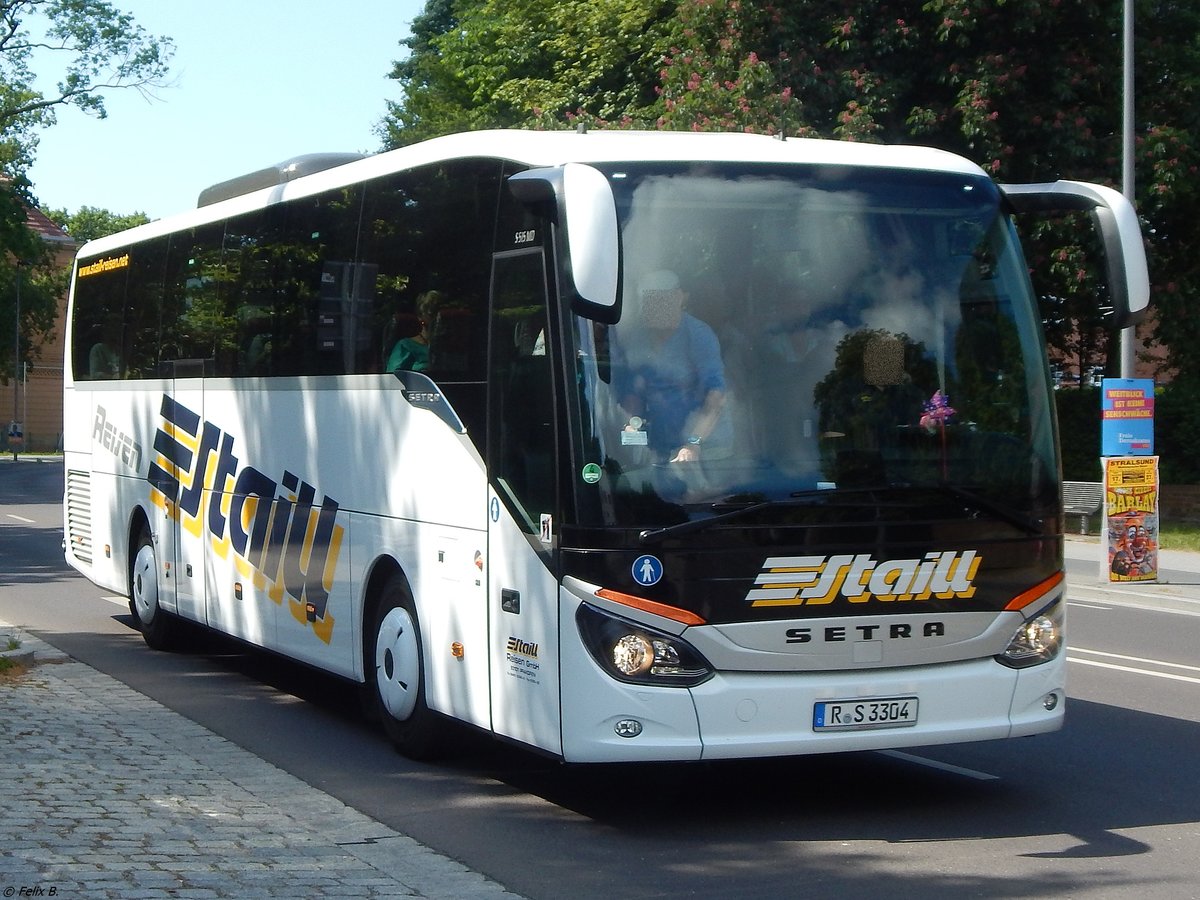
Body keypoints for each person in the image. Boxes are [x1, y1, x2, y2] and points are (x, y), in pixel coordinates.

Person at [612, 270, 731, 464]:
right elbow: (633, 392)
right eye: (648, 301)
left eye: (660, 300)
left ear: (678, 299)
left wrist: (693, 443)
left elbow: (715, 396)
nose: (653, 307)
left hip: (708, 448)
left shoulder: (699, 336)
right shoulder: (637, 338)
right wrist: (631, 423)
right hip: (660, 446)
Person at [386, 290, 444, 373]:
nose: (439, 321)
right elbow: (392, 380)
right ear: (421, 317)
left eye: (442, 316)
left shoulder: (453, 348)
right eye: (433, 315)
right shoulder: (405, 346)